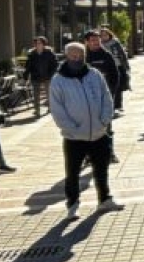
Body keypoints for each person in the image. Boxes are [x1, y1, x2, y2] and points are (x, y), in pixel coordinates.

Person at [49, 42, 122, 220]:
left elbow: (106, 97)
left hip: (98, 133)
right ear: (67, 56)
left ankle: (104, 199)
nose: (77, 58)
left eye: (80, 55)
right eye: (73, 55)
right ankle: (72, 205)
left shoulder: (94, 75)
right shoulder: (58, 80)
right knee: (72, 172)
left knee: (101, 169)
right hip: (74, 137)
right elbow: (57, 110)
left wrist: (105, 120)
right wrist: (71, 129)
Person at [83, 31, 121, 164]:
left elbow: (115, 76)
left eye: (97, 40)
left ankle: (110, 153)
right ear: (87, 42)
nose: (95, 42)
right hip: (87, 100)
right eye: (92, 40)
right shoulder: (83, 57)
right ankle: (89, 156)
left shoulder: (106, 55)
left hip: (105, 97)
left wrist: (111, 93)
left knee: (107, 126)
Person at [97, 27, 130, 113]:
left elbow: (122, 54)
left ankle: (118, 105)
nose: (104, 37)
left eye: (105, 35)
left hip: (117, 66)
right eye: (102, 35)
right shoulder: (99, 45)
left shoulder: (115, 43)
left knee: (118, 87)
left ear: (109, 35)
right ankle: (108, 105)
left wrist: (126, 66)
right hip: (105, 69)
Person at [23, 36, 58, 118]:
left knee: (49, 93)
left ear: (43, 44)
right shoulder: (31, 54)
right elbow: (28, 66)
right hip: (35, 77)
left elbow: (55, 64)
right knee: (36, 95)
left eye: (39, 43)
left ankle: (50, 108)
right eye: (36, 43)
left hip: (47, 76)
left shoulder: (49, 53)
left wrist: (52, 74)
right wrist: (25, 76)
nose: (37, 45)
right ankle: (37, 110)